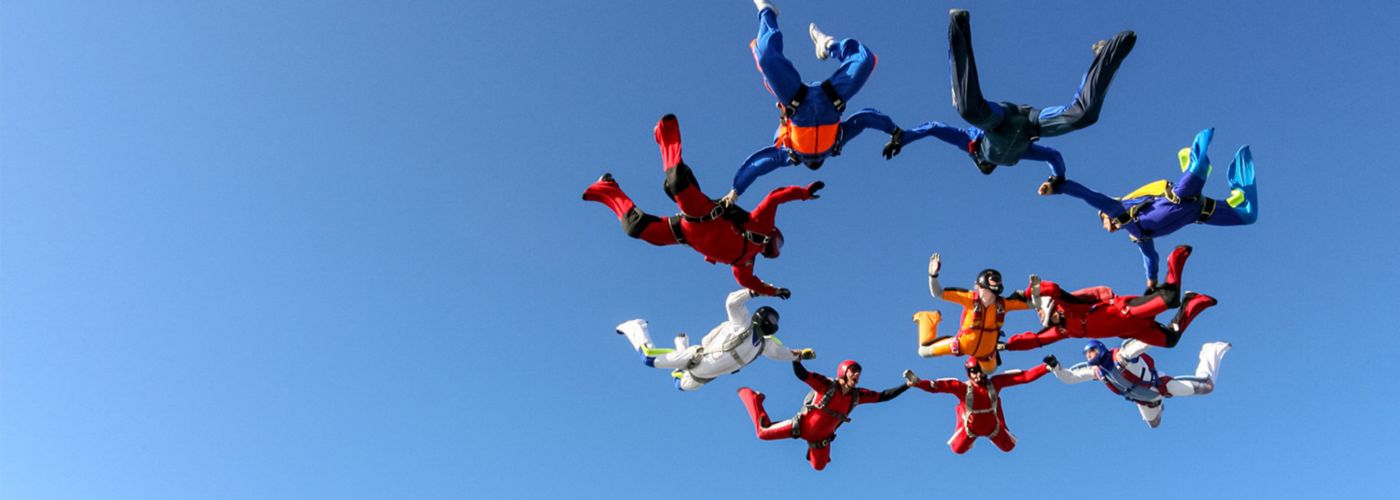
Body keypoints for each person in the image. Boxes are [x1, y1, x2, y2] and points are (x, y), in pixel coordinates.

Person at [886, 9, 1135, 191]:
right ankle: (1107, 53)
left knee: (968, 110)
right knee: (1084, 115)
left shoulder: (970, 144)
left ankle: (958, 23)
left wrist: (903, 138)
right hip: (1033, 124)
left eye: (985, 166)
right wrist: (1057, 179)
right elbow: (1053, 157)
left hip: (997, 121)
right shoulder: (1024, 153)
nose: (990, 166)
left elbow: (935, 128)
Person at [583, 114, 822, 297]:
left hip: (685, 232)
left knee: (635, 228)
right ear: (773, 235)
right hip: (704, 215)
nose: (776, 248)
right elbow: (775, 197)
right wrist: (804, 193)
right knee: (677, 184)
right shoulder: (761, 227)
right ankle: (665, 136)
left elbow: (750, 283)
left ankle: (607, 188)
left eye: (778, 247)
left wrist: (775, 291)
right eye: (779, 243)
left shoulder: (745, 264)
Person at [726, 0, 904, 201]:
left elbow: (760, 164)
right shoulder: (835, 144)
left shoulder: (791, 154)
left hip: (797, 102)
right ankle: (828, 45)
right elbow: (864, 120)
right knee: (866, 60)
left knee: (767, 58)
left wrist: (736, 190)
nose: (814, 159)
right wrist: (894, 131)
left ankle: (767, 11)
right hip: (828, 99)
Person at [1047, 128, 1259, 288]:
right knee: (1248, 216)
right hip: (1199, 211)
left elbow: (1090, 196)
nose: (1106, 227)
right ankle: (1239, 186)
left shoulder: (1119, 210)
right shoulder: (1138, 234)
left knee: (1201, 165)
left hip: (1181, 195)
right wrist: (1152, 280)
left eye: (1102, 220)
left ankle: (1193, 151)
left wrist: (1061, 186)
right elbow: (1150, 257)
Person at [1002, 245, 1218, 351]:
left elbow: (1053, 288)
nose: (1042, 317)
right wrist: (1006, 346)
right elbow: (1037, 340)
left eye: (1042, 312)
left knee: (1169, 298)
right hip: (1134, 330)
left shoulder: (1068, 305)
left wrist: (1026, 293)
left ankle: (1174, 261)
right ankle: (1192, 302)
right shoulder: (1064, 330)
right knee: (1170, 340)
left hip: (1127, 311)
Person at [616, 288, 814, 391]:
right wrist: (759, 291)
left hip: (702, 377)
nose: (773, 322)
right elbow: (732, 302)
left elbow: (780, 353)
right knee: (649, 359)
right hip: (698, 358)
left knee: (679, 385)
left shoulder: (764, 344)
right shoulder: (743, 323)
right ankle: (636, 326)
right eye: (771, 318)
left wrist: (798, 355)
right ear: (761, 316)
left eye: (775, 321)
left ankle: (680, 345)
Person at [738, 359, 908, 470]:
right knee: (762, 433)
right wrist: (795, 359)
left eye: (859, 373)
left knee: (819, 467)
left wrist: (907, 385)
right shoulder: (827, 385)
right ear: (843, 371)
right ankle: (752, 397)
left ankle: (811, 449)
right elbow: (803, 375)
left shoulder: (857, 396)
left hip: (820, 439)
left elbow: (883, 396)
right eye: (853, 371)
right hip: (800, 427)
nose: (857, 375)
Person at [1048, 339, 1231, 428]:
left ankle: (1210, 350)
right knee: (1154, 424)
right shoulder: (1097, 371)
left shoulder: (1122, 355)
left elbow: (1146, 340)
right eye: (1087, 354)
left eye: (1092, 351)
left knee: (1207, 386)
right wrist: (1056, 367)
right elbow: (1070, 377)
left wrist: (1167, 330)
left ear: (1100, 348)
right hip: (1146, 401)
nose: (1089, 356)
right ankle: (1159, 406)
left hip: (1161, 386)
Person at [903, 357, 1049, 454]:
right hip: (970, 429)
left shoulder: (995, 383)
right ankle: (961, 413)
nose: (978, 375)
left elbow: (1024, 376)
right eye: (974, 372)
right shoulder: (962, 388)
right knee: (957, 449)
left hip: (993, 428)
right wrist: (918, 383)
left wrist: (1046, 367)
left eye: (981, 371)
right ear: (969, 373)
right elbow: (937, 386)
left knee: (1009, 447)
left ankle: (998, 418)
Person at [912, 252, 1030, 372]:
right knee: (923, 351)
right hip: (962, 345)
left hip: (986, 352)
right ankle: (928, 318)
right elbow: (938, 293)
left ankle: (985, 365)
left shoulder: (1004, 304)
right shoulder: (970, 298)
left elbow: (1031, 305)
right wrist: (933, 275)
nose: (998, 283)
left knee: (990, 371)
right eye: (995, 279)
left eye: (999, 280)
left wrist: (1036, 294)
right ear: (983, 281)